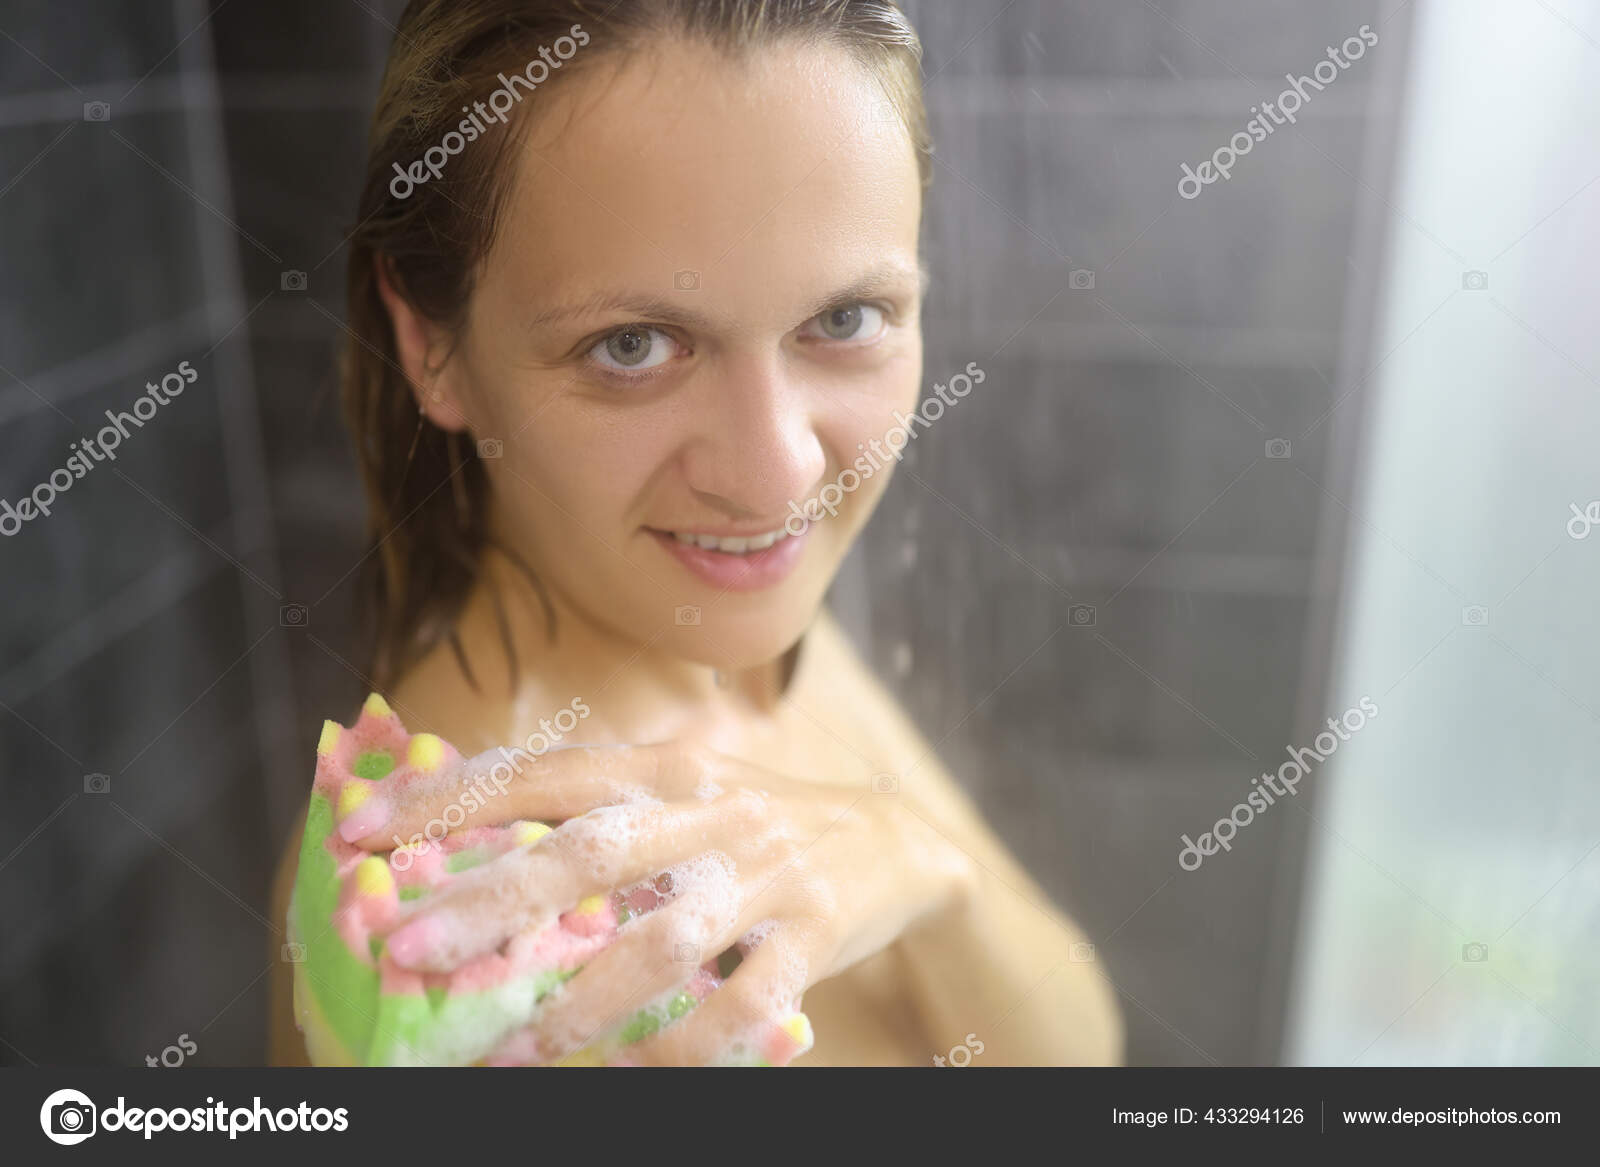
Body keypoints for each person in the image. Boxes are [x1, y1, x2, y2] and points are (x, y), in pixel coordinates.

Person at [269, 0, 1121, 1066]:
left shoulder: (725, 631)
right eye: (631, 345)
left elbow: (1081, 1052)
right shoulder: (466, 907)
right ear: (430, 343)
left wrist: (923, 866)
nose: (777, 474)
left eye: (844, 320)